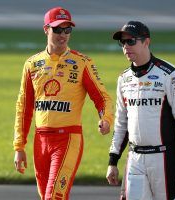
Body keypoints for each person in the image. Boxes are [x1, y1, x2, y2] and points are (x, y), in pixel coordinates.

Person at [13, 7, 113, 200]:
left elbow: (102, 98)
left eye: (68, 30)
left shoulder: (82, 62)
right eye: (58, 29)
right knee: (47, 197)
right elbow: (23, 107)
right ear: (46, 29)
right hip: (40, 140)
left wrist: (106, 119)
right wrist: (19, 146)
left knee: (54, 197)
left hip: (68, 138)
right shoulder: (32, 64)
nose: (63, 35)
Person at [106, 21, 175, 200]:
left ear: (146, 42)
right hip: (135, 158)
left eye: (131, 41)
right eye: (123, 42)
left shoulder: (171, 74)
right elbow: (121, 123)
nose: (126, 46)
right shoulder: (123, 78)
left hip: (164, 158)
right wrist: (113, 161)